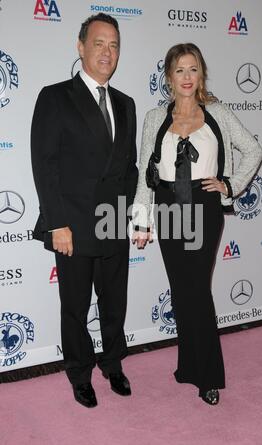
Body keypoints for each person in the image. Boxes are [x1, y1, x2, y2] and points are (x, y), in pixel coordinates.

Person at [132, 43, 262, 405]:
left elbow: (253, 149)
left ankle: (208, 376)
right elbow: (146, 172)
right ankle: (187, 366)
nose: (187, 77)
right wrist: (141, 218)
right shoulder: (155, 118)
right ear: (169, 77)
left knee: (197, 291)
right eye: (179, 70)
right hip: (168, 206)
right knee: (181, 289)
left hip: (204, 207)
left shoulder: (217, 113)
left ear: (200, 74)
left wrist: (230, 185)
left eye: (193, 70)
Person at [31, 13, 138, 408]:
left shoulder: (126, 104)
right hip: (72, 226)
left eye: (114, 45)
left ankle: (113, 363)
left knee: (115, 303)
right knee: (75, 307)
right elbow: (45, 165)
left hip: (113, 224)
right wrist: (57, 223)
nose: (107, 52)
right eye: (99, 43)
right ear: (80, 47)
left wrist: (130, 212)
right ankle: (79, 372)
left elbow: (130, 168)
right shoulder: (55, 96)